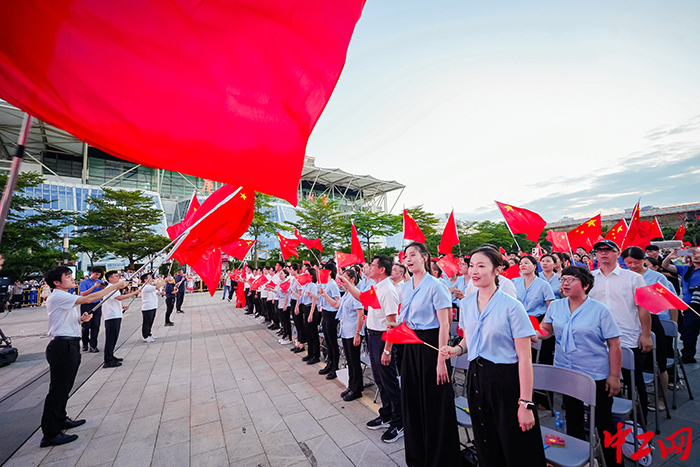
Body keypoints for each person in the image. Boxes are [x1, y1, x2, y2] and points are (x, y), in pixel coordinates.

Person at [440, 247, 545, 467]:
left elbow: (525, 358)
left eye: (481, 265)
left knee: (515, 444)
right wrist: (457, 349)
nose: (474, 271)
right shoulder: (467, 304)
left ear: (497, 269)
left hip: (506, 381)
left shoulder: (512, 306)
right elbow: (469, 340)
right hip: (477, 377)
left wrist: (525, 403)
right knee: (486, 440)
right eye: (471, 266)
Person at [537, 266, 623, 466]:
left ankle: (613, 462)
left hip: (594, 372)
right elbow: (546, 330)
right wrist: (531, 334)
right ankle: (580, 461)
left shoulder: (600, 310)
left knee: (603, 422)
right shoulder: (556, 306)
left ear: (585, 285)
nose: (564, 283)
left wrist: (614, 376)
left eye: (570, 280)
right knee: (573, 417)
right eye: (563, 279)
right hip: (566, 370)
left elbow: (614, 344)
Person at [40, 266, 127, 447]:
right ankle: (50, 433)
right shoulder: (58, 295)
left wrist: (81, 320)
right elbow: (88, 298)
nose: (72, 279)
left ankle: (61, 419)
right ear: (57, 282)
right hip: (62, 346)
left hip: (69, 343)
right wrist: (115, 286)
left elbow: (64, 321)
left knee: (65, 387)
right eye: (68, 276)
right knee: (57, 390)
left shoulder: (65, 297)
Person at [392, 242, 460, 467]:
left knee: (434, 404)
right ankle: (417, 457)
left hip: (432, 346)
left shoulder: (436, 285)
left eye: (413, 255)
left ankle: (440, 459)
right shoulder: (406, 286)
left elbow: (445, 325)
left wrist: (442, 360)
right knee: (412, 401)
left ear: (425, 257)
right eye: (406, 256)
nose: (408, 259)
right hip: (411, 346)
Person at [338, 255, 403, 443]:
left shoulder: (388, 290)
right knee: (379, 379)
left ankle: (399, 422)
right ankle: (387, 414)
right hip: (374, 336)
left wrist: (388, 350)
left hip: (384, 338)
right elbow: (362, 298)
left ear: (382, 269)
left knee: (389, 381)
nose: (368, 268)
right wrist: (347, 284)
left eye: (372, 265)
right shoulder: (377, 287)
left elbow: (392, 322)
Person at [589, 239, 653, 421]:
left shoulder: (634, 278)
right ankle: (612, 423)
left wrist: (646, 334)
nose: (603, 253)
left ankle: (640, 424)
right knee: (605, 383)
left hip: (628, 336)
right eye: (599, 250)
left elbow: (643, 307)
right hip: (600, 340)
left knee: (634, 382)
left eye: (607, 250)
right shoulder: (590, 278)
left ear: (618, 253)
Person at [623, 246, 676, 410]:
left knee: (659, 363)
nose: (632, 266)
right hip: (629, 323)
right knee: (635, 363)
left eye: (636, 262)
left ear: (643, 259)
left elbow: (669, 301)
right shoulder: (623, 276)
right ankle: (637, 395)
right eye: (628, 262)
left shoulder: (657, 277)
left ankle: (661, 398)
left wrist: (672, 323)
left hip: (653, 321)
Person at [323, 268, 365, 400]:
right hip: (346, 331)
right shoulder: (347, 294)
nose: (341, 281)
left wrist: (358, 333)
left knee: (354, 361)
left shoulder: (356, 295)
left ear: (352, 279)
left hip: (353, 332)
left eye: (344, 278)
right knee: (350, 361)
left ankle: (357, 389)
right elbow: (336, 305)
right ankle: (351, 386)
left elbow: (361, 315)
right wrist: (324, 295)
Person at [662, 247, 700, 363]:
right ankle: (688, 356)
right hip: (690, 306)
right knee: (689, 332)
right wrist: (669, 257)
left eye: (699, 253)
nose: (696, 255)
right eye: (694, 253)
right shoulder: (685, 269)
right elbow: (666, 266)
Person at [101, 271, 139, 368]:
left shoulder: (114, 288)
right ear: (110, 279)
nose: (118, 278)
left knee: (114, 338)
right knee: (110, 338)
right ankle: (108, 360)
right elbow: (119, 297)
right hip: (111, 316)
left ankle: (111, 356)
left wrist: (122, 307)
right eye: (116, 276)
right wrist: (133, 293)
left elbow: (115, 300)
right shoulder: (110, 288)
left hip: (116, 315)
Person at [317, 263, 341, 379]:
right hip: (325, 312)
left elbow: (337, 300)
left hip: (332, 314)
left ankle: (335, 366)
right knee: (328, 340)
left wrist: (325, 295)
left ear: (330, 271)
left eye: (324, 269)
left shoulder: (332, 285)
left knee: (332, 342)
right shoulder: (326, 283)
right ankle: (329, 363)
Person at [78, 267, 105, 352]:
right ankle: (85, 343)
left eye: (99, 275)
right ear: (91, 273)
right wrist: (94, 287)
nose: (97, 276)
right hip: (86, 304)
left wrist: (103, 288)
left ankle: (93, 345)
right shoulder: (84, 283)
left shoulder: (100, 282)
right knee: (86, 326)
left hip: (97, 304)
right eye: (96, 274)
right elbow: (83, 294)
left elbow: (103, 293)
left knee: (96, 325)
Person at [299, 268, 320, 364]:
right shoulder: (306, 285)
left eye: (306, 274)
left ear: (311, 275)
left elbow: (314, 301)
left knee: (313, 334)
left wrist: (311, 314)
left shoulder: (313, 286)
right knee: (308, 332)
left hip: (311, 309)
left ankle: (316, 355)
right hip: (305, 308)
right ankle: (310, 353)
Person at [140, 274, 160, 343]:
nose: (151, 278)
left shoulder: (150, 286)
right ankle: (145, 336)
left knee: (151, 321)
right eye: (149, 277)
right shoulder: (145, 287)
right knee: (147, 322)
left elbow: (157, 291)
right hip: (147, 307)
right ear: (145, 280)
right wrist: (164, 280)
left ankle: (149, 334)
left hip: (153, 306)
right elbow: (157, 288)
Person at [276, 269, 292, 345]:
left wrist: (285, 305)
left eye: (282, 273)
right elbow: (279, 293)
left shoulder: (287, 282)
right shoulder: (280, 282)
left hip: (286, 304)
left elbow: (287, 294)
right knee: (282, 320)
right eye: (279, 273)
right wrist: (271, 289)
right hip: (280, 302)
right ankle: (285, 334)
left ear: (285, 274)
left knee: (286, 321)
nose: (280, 275)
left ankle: (288, 336)